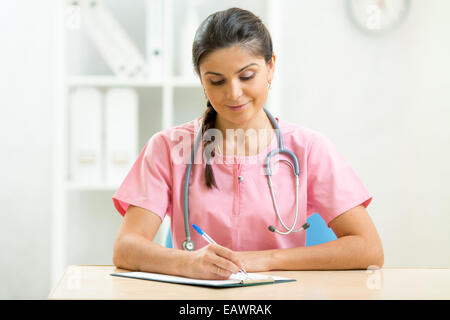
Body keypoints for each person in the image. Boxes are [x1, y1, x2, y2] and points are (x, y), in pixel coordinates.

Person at [112, 7, 383, 280]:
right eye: (216, 81)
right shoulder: (168, 148)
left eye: (246, 76)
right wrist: (188, 263)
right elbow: (126, 248)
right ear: (202, 81)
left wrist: (265, 260)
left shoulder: (309, 148)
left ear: (270, 68)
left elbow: (368, 249)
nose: (233, 93)